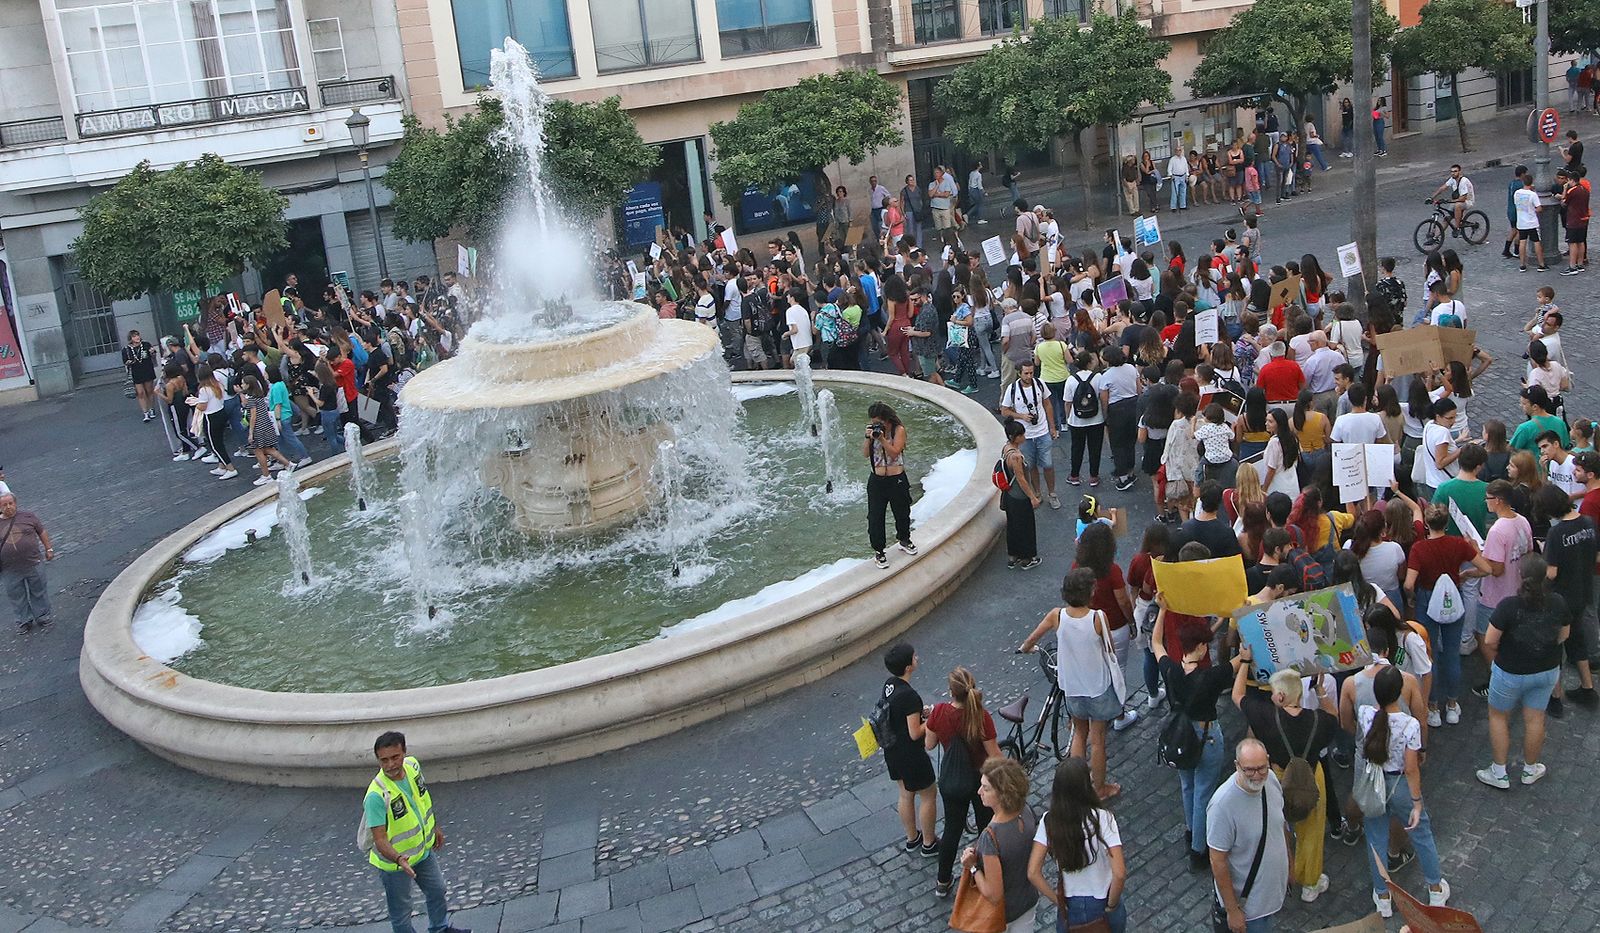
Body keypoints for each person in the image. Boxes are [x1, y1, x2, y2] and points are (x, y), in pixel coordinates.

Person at [1232, 660, 1340, 905]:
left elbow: (1237, 694)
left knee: (1275, 830)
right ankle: (1310, 881)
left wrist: (1246, 661)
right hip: (1311, 776)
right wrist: (1321, 691)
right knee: (1311, 831)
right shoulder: (1318, 720)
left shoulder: (1266, 717)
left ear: (1280, 696)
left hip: (1276, 780)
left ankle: (1278, 875)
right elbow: (1334, 716)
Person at [1019, 569, 1123, 800]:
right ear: (1091, 592)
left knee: (1079, 733)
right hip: (1097, 686)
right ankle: (1100, 788)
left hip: (1072, 687)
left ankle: (1077, 786)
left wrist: (1026, 648)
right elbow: (1110, 649)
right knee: (1097, 739)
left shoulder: (1057, 615)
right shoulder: (1098, 618)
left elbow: (1032, 638)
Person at [1356, 667, 1452, 917]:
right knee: (1421, 834)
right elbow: (1411, 768)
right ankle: (1434, 889)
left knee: (1376, 839)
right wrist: (1417, 801)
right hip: (1399, 786)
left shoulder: (1365, 714)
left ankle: (1383, 895)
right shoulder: (1409, 725)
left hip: (1374, 785)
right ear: (1400, 692)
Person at [1154, 612, 1241, 870]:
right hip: (1206, 737)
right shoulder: (1211, 677)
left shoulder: (1170, 670)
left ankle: (1191, 832)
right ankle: (1198, 850)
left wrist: (1161, 610)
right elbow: (1241, 660)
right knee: (1204, 792)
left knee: (1188, 786)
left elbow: (1156, 643)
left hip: (1179, 735)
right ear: (1202, 647)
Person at [364, 732, 472, 933]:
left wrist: (434, 827)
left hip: (422, 851)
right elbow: (379, 839)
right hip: (394, 865)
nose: (390, 765)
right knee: (401, 912)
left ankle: (440, 928)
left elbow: (422, 800)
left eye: (395, 757)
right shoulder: (376, 796)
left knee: (437, 890)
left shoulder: (413, 766)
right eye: (384, 760)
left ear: (404, 752)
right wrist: (398, 859)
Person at [1476, 553, 1567, 790]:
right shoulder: (1557, 602)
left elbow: (1490, 640)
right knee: (1536, 718)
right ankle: (1530, 768)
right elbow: (1563, 635)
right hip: (1546, 670)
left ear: (1521, 576)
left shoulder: (1508, 606)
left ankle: (1499, 772)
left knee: (1498, 717)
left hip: (1510, 671)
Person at [1405, 504, 1493, 726]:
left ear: (1426, 524)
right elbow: (1487, 569)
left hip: (1427, 600)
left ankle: (1433, 706)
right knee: (1452, 653)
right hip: (1453, 598)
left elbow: (1408, 583)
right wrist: (1466, 575)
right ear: (1446, 523)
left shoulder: (1419, 548)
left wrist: (1411, 597)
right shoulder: (1458, 544)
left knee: (1429, 654)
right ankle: (1452, 705)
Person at [1027, 758, 1127, 933]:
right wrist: (1111, 906)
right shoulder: (1103, 819)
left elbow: (1033, 873)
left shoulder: (1049, 821)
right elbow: (1119, 873)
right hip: (1101, 899)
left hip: (1070, 903)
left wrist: (1059, 903)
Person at [926, 667, 1002, 896]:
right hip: (981, 780)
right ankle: (985, 872)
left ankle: (943, 881)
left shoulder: (938, 712)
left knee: (952, 829)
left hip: (953, 780)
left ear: (951, 692)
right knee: (985, 826)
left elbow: (928, 745)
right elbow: (994, 754)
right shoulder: (981, 716)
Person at [1207, 738, 1290, 933]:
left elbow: (1280, 824)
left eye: (1261, 768)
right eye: (1249, 770)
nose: (1257, 775)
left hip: (1271, 895)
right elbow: (1217, 861)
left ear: (1268, 761)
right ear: (1237, 766)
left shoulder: (1270, 779)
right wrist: (1232, 911)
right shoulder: (1222, 805)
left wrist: (1289, 864)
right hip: (1249, 910)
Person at [1538, 483, 1600, 716]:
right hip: (1583, 592)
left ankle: (1555, 697)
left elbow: (1551, 572)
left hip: (1561, 597)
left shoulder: (1556, 533)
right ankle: (1587, 687)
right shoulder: (1588, 522)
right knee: (1577, 640)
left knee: (1554, 647)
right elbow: (1596, 554)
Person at [961, 757, 1040, 931]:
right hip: (1028, 902)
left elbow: (994, 894)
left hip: (1003, 916)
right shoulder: (1026, 811)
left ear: (1002, 794)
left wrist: (973, 867)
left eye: (986, 788)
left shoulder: (991, 837)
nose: (979, 791)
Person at [879, 643, 940, 857]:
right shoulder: (910, 696)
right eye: (914, 657)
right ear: (907, 667)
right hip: (910, 754)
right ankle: (929, 843)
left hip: (892, 751)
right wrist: (932, 718)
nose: (918, 659)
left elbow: (898, 714)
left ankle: (912, 838)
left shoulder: (890, 685)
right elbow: (915, 733)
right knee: (929, 793)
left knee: (905, 793)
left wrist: (918, 713)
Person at [1000, 361, 1060, 510]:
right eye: (1026, 373)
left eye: (1031, 373)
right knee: (1031, 466)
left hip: (1042, 431)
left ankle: (1052, 494)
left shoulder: (1040, 384)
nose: (1029, 376)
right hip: (1025, 436)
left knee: (1048, 465)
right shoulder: (1012, 389)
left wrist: (1052, 427)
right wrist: (1021, 416)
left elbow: (1047, 405)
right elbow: (1004, 410)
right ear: (1019, 373)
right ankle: (1037, 492)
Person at [864, 402, 916, 570]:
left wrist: (883, 439)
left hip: (897, 479)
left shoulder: (898, 430)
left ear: (887, 419)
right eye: (874, 422)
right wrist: (868, 438)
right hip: (877, 481)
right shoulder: (873, 432)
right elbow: (865, 454)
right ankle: (879, 551)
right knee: (875, 517)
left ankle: (904, 540)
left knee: (902, 512)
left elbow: (895, 452)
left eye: (879, 422)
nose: (877, 425)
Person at [0, 493, 54, 635]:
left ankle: (42, 616)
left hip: (33, 562)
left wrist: (49, 548)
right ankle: (24, 621)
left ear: (16, 503)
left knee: (39, 590)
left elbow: (42, 532)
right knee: (17, 596)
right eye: (4, 505)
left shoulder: (28, 516)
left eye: (11, 503)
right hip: (8, 569)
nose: (8, 507)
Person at [121, 330, 158, 422]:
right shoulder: (126, 349)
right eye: (134, 336)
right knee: (140, 393)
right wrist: (129, 362)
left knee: (149, 391)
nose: (137, 337)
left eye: (137, 335)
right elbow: (125, 361)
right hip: (136, 372)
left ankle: (151, 409)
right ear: (131, 339)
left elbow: (153, 355)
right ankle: (145, 413)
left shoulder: (146, 345)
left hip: (147, 370)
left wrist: (152, 352)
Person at [1513, 174, 1547, 273]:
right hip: (1531, 222)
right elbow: (1539, 208)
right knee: (1536, 242)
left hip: (1521, 222)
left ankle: (1522, 264)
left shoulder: (1517, 193)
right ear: (1532, 183)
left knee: (1522, 242)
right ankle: (1541, 264)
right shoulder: (1532, 194)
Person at [1429, 164, 1476, 233]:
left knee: (1457, 206)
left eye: (1455, 171)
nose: (1453, 173)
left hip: (1467, 201)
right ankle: (1435, 238)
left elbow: (1463, 198)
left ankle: (1457, 228)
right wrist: (1431, 197)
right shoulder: (1452, 179)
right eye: (1451, 171)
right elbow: (1443, 188)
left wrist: (1449, 201)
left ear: (1460, 172)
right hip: (1457, 201)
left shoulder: (1463, 181)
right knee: (1447, 219)